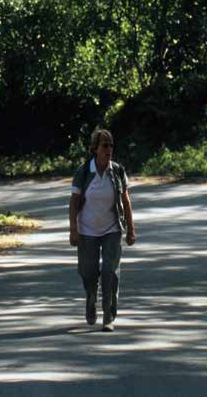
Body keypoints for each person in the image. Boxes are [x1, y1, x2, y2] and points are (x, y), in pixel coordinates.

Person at [69, 128, 135, 332]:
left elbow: (125, 200)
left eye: (111, 145)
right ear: (95, 149)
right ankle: (91, 298)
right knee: (88, 272)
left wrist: (131, 228)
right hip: (87, 229)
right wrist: (73, 229)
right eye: (105, 145)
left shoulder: (117, 171)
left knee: (110, 272)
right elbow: (74, 203)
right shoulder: (83, 172)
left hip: (112, 228)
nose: (109, 149)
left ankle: (108, 316)